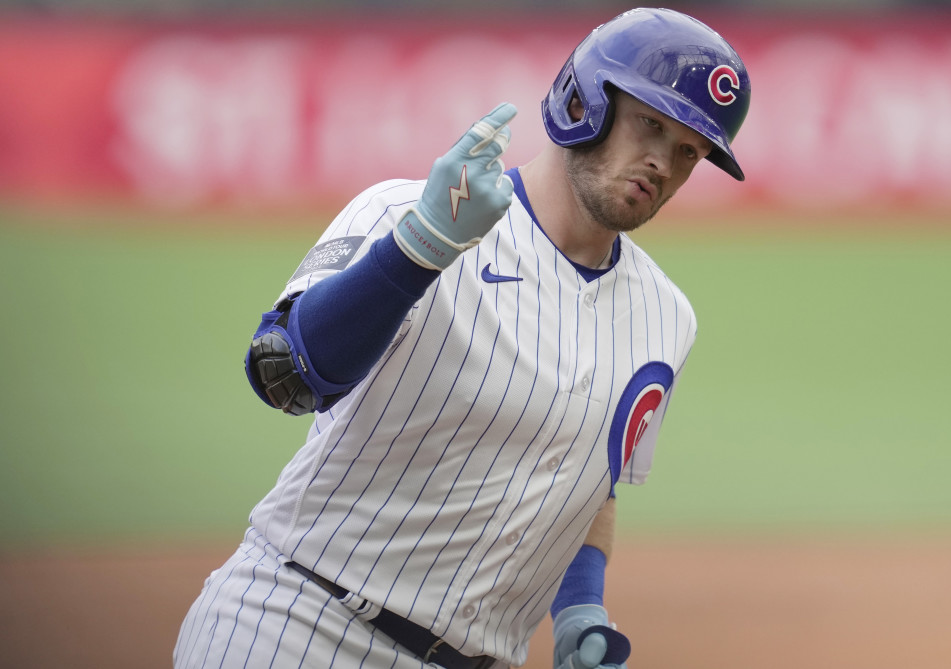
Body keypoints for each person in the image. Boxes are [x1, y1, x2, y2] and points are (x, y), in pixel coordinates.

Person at [174, 7, 749, 669]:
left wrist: (580, 609)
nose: (662, 162)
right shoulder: (406, 214)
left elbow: (585, 480)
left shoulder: (667, 318)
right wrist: (418, 249)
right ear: (584, 102)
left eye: (688, 151)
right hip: (299, 627)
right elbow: (284, 375)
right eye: (651, 123)